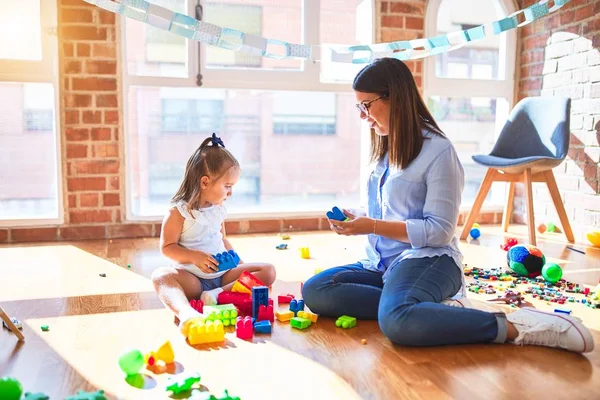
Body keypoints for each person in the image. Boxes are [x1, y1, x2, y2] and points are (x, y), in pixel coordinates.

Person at [301, 58, 594, 353]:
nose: (363, 116)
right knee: (316, 290)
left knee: (396, 321)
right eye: (359, 107)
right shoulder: (385, 146)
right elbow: (392, 210)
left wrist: (372, 226)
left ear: (395, 98)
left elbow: (439, 231)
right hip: (383, 265)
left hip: (428, 259)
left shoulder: (439, 151)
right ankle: (428, 307)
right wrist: (360, 218)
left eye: (367, 106)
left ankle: (520, 325)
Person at [152, 133, 276, 336]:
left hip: (224, 276)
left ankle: (216, 295)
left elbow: (223, 239)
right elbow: (167, 247)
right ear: (205, 182)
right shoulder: (179, 212)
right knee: (160, 277)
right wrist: (195, 257)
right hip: (193, 278)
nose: (230, 192)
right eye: (227, 186)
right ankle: (186, 313)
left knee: (268, 271)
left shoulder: (218, 209)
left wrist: (238, 263)